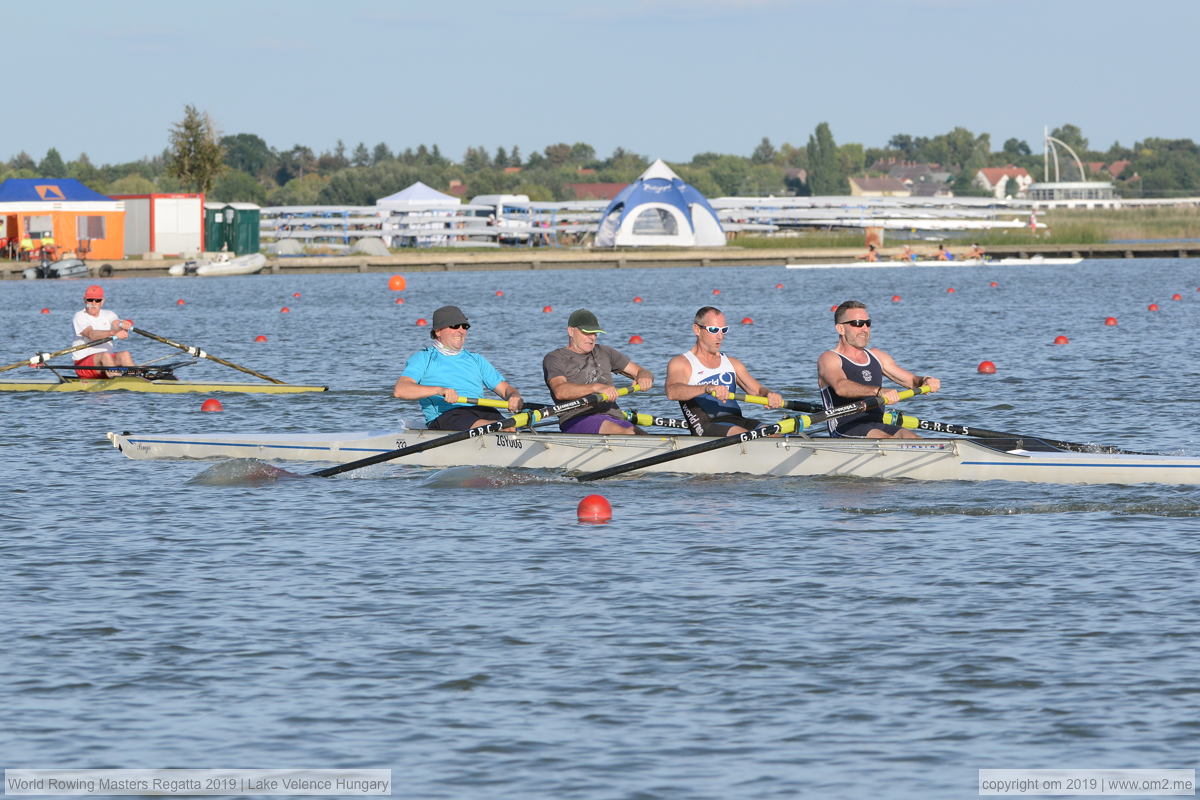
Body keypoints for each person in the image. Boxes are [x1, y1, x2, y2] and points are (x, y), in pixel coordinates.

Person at [817, 300, 941, 439]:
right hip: (845, 429)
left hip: (877, 424)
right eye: (857, 323)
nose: (864, 328)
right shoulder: (829, 358)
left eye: (867, 323)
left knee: (915, 439)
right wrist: (878, 391)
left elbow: (912, 381)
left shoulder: (878, 356)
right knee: (889, 441)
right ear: (840, 329)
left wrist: (926, 380)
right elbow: (841, 387)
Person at [393, 305, 524, 430]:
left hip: (482, 411)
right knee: (502, 426)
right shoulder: (423, 358)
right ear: (438, 331)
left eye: (465, 326)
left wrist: (514, 396)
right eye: (455, 326)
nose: (461, 331)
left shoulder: (476, 360)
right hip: (447, 416)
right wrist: (439, 390)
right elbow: (400, 390)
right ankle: (499, 430)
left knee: (509, 426)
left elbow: (505, 389)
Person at [666, 306, 783, 436]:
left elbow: (757, 391)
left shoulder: (732, 363)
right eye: (714, 330)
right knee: (748, 437)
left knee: (775, 434)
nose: (720, 336)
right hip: (707, 426)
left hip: (738, 421)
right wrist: (707, 388)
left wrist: (770, 394)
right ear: (697, 330)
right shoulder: (682, 363)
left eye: (724, 330)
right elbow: (672, 392)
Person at [543, 308, 653, 434]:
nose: (592, 338)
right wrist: (596, 387)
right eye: (587, 333)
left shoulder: (605, 352)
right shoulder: (555, 358)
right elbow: (560, 391)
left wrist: (645, 377)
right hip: (578, 418)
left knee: (645, 437)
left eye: (595, 333)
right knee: (627, 433)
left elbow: (641, 371)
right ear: (571, 331)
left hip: (613, 416)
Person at [72, 285, 135, 378]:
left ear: (102, 301)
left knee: (125, 355)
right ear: (85, 300)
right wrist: (113, 333)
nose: (93, 303)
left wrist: (122, 325)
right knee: (105, 356)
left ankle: (136, 378)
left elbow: (115, 324)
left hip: (106, 362)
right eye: (90, 300)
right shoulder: (79, 316)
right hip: (83, 365)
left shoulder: (109, 314)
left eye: (97, 300)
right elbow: (91, 334)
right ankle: (117, 380)